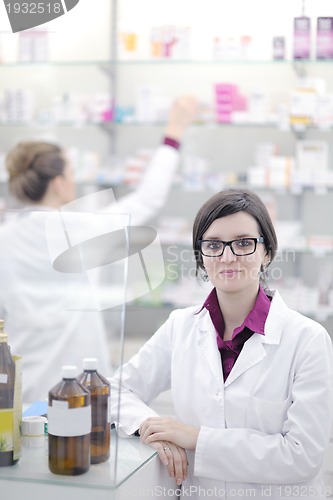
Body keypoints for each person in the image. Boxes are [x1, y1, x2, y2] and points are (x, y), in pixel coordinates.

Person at [110, 188, 333, 499]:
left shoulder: (307, 340)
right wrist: (150, 427)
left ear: (267, 251)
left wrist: (196, 438)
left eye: (243, 243)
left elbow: (302, 458)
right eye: (213, 245)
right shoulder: (181, 326)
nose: (228, 257)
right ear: (201, 255)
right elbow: (115, 392)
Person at [0, 95, 198, 404]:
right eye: (70, 173)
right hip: (79, 386)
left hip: (22, 385)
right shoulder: (78, 230)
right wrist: (173, 133)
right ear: (58, 183)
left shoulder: (5, 238)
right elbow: (148, 199)